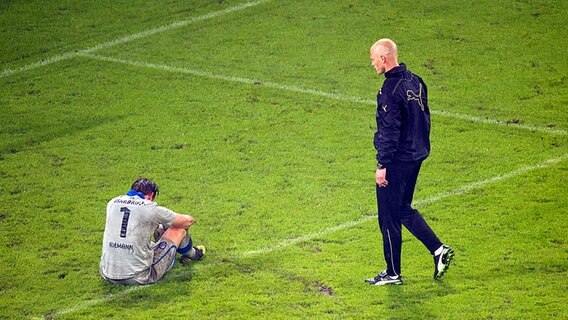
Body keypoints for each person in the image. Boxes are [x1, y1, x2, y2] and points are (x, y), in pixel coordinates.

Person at [365, 39, 454, 286]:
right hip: (416, 156)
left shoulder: (390, 91)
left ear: (384, 58)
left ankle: (392, 273)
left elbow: (389, 131)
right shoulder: (416, 80)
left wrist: (382, 165)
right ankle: (439, 251)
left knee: (388, 217)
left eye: (373, 58)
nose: (372, 63)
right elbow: (424, 119)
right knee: (403, 209)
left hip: (397, 161)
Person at [100, 177, 206, 285]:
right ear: (151, 195)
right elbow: (187, 221)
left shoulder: (112, 203)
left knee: (155, 228)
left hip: (107, 273)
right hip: (138, 276)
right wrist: (168, 224)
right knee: (178, 229)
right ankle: (193, 254)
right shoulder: (149, 207)